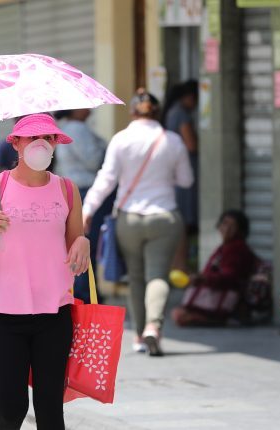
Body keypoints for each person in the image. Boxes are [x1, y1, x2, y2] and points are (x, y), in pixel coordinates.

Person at [0, 113, 90, 429]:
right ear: (16, 143)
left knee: (50, 408)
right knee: (11, 408)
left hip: (54, 314)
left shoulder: (67, 189)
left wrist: (83, 244)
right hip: (3, 315)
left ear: (55, 144)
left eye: (49, 138)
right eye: (32, 137)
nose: (41, 143)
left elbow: (74, 244)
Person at [83, 89, 193, 357]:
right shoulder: (173, 141)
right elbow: (186, 180)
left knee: (135, 277)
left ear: (132, 112)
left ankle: (138, 334)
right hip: (165, 216)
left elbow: (106, 180)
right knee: (157, 275)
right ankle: (155, 327)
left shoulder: (121, 140)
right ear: (157, 112)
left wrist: (87, 211)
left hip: (129, 219)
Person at [54, 109, 114, 302]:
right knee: (87, 243)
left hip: (74, 191)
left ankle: (83, 291)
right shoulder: (78, 130)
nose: (90, 109)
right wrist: (107, 150)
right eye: (85, 106)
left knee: (78, 242)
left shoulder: (65, 129)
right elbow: (94, 160)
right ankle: (85, 294)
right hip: (86, 191)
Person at [171, 210, 257, 327]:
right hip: (217, 291)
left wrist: (203, 279)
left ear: (240, 230)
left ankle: (218, 319)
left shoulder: (236, 249)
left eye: (232, 226)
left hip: (226, 295)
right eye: (225, 224)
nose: (227, 229)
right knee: (178, 314)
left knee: (180, 316)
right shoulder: (224, 247)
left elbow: (229, 277)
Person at [162, 80, 199, 273]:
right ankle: (181, 267)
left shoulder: (171, 112)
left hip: (174, 174)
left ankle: (176, 266)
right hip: (183, 174)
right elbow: (191, 144)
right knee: (183, 222)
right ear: (190, 97)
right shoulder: (181, 114)